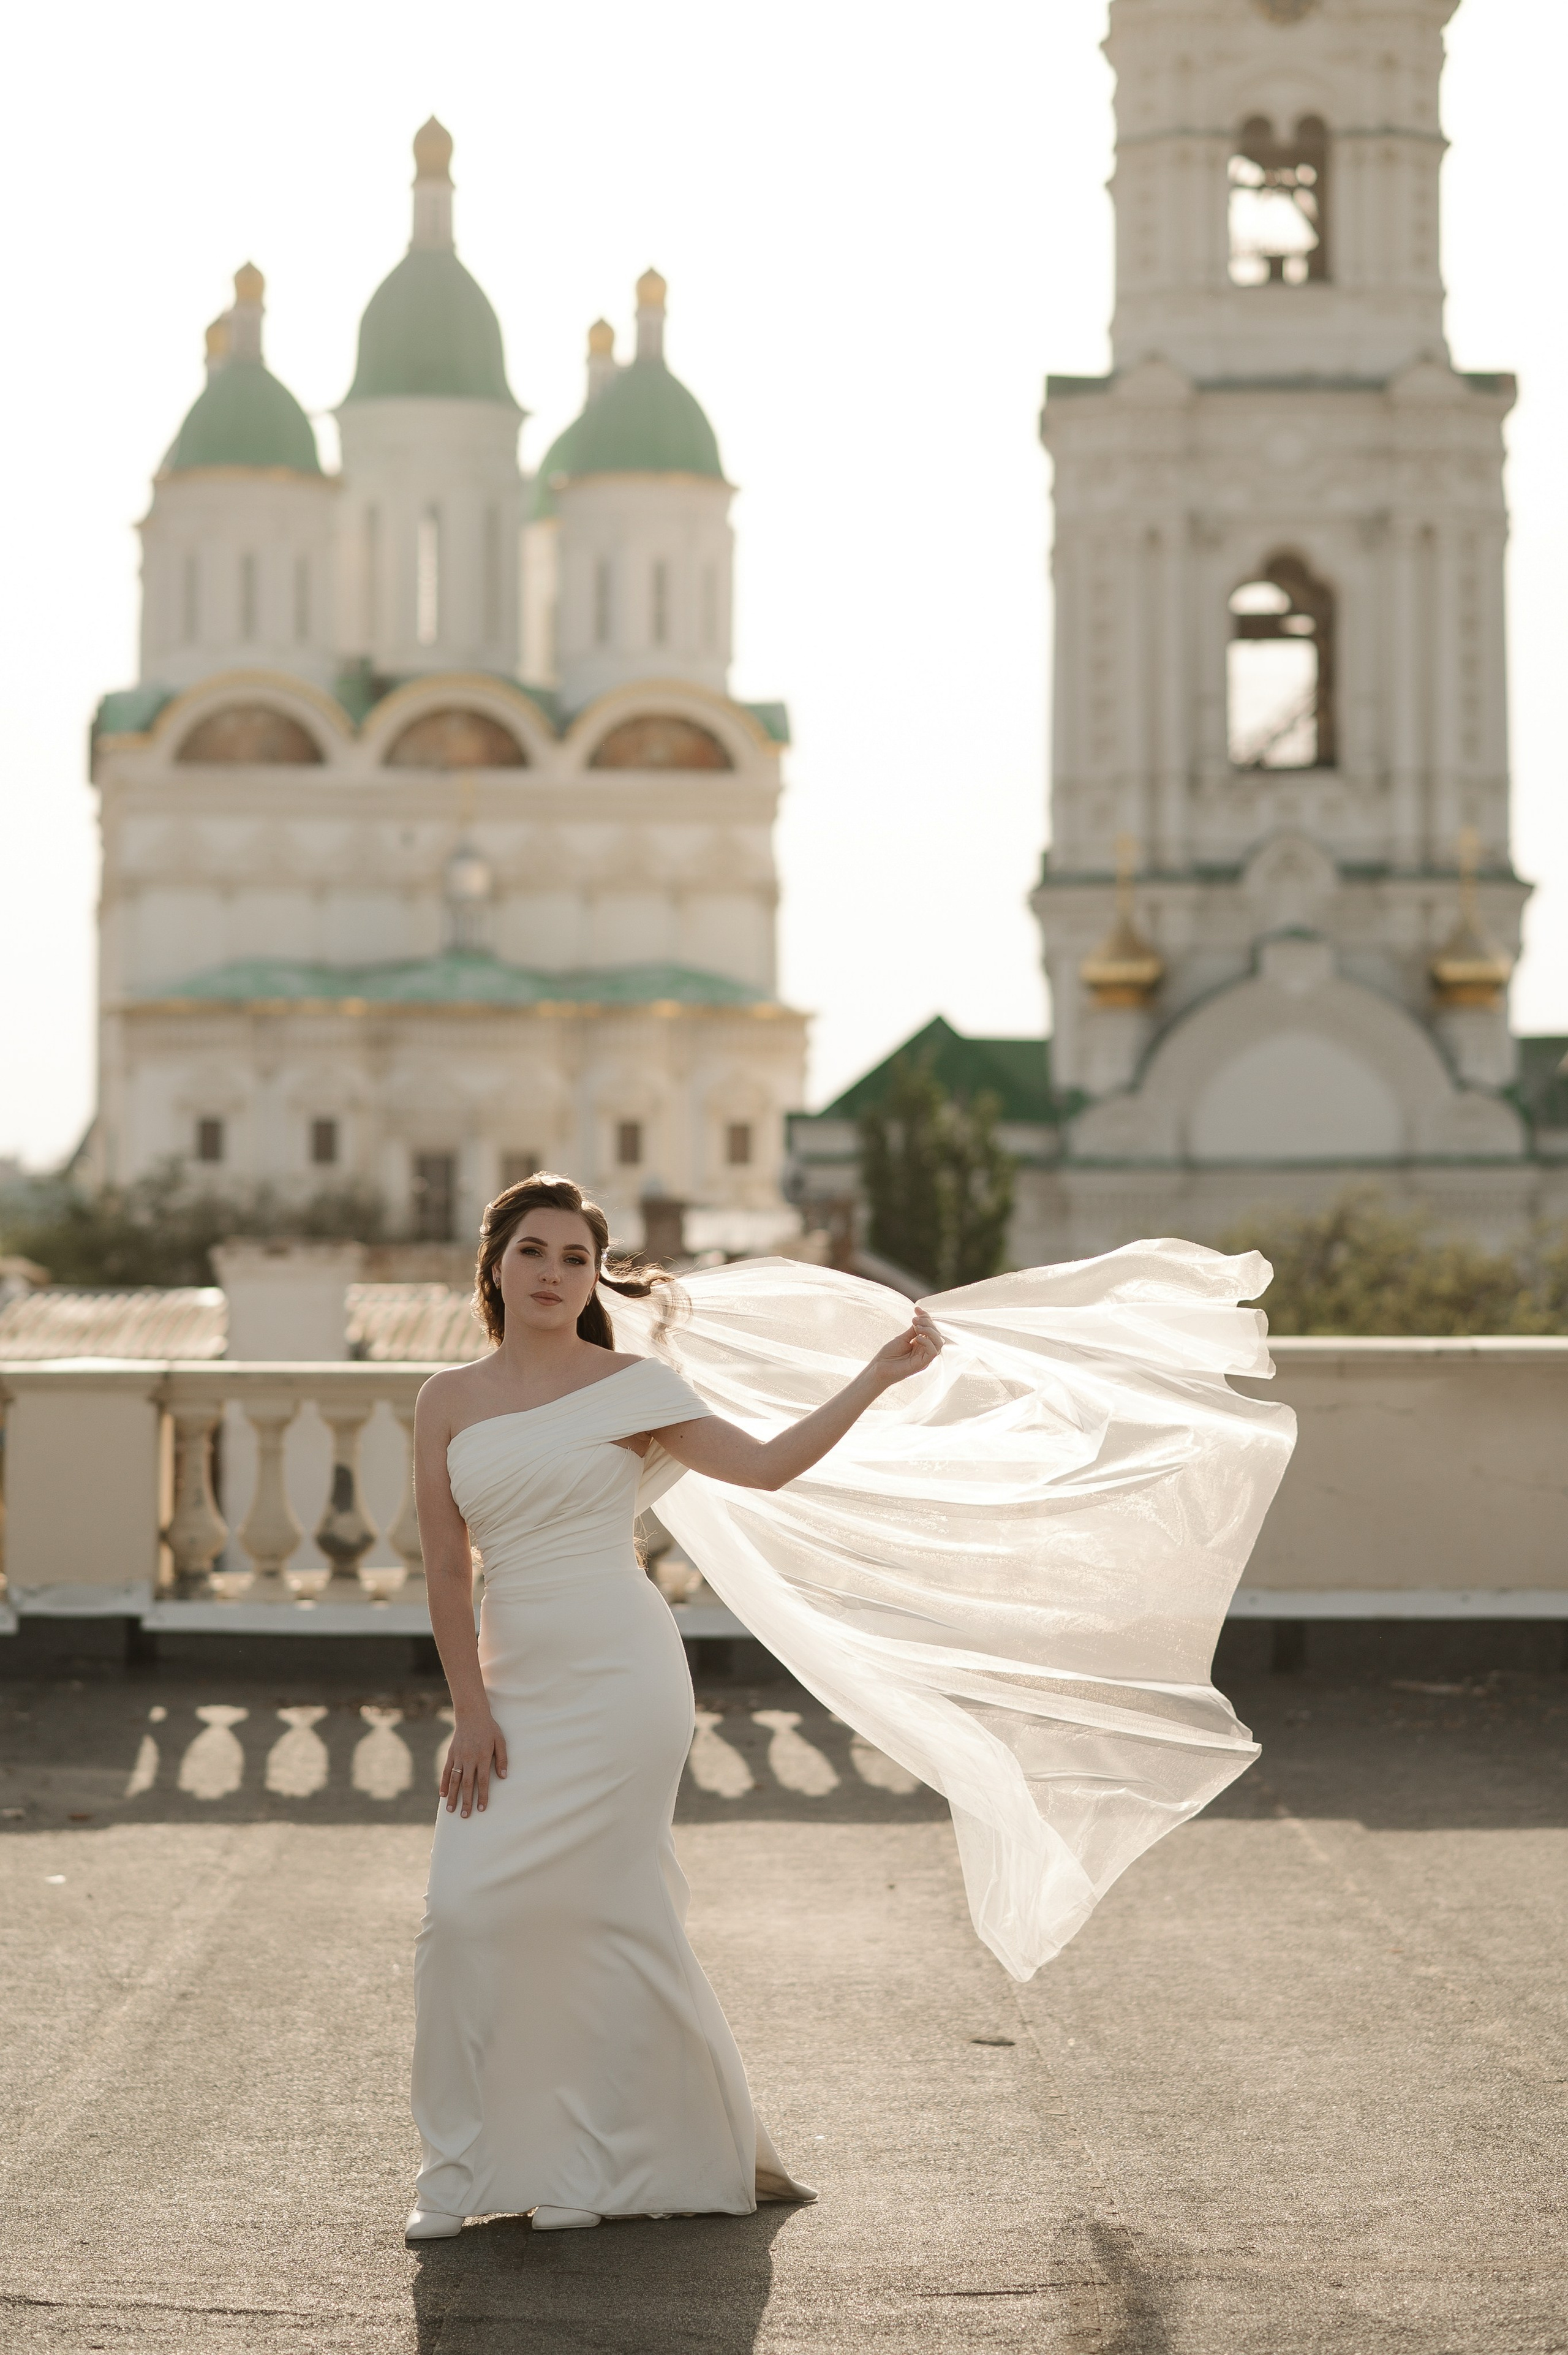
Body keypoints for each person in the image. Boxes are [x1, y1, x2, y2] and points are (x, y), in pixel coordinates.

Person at [405, 1171, 944, 2239]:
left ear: (594, 1278)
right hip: (510, 1682)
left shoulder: (635, 1387)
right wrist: (471, 1709)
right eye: (533, 1252)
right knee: (463, 1917)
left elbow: (769, 1467)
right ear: (495, 1267)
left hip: (625, 1677)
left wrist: (875, 1377)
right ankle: (457, 2174)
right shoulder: (446, 1400)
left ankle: (587, 2168)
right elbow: (444, 1570)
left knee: (601, 1915)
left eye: (576, 1258)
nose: (553, 1273)